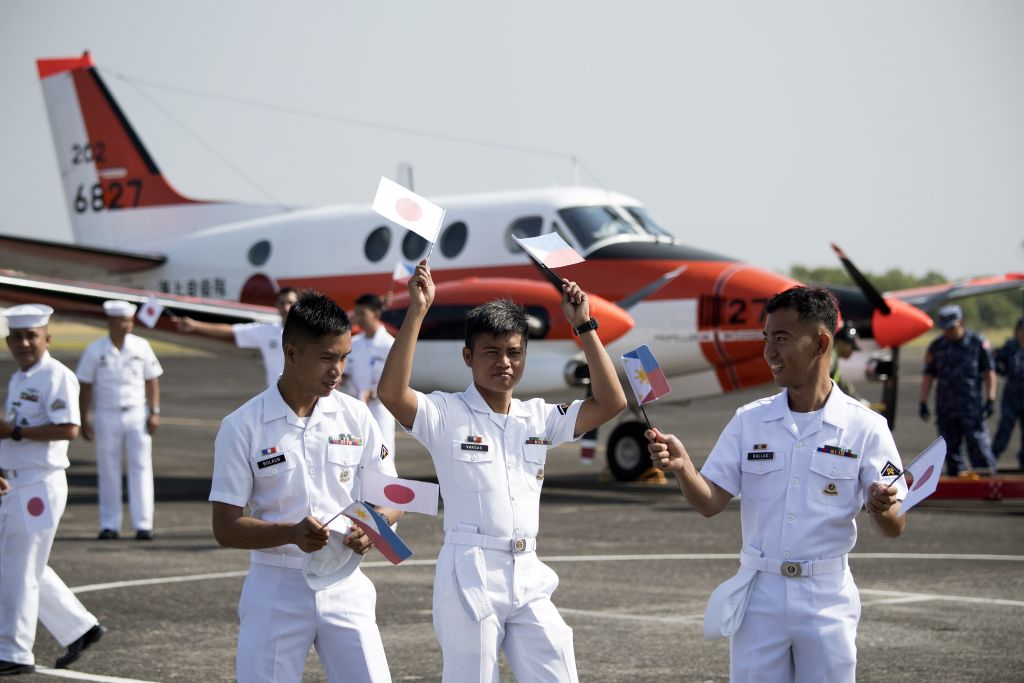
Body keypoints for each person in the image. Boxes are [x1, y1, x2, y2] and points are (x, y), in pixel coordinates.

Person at [378, 261, 627, 682]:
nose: (504, 362)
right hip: (469, 571)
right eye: (491, 352)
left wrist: (584, 326)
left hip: (528, 569)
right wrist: (417, 311)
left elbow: (610, 403)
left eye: (514, 352)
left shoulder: (539, 416)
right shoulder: (446, 413)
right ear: (468, 356)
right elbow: (391, 393)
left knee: (558, 671)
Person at [645, 286, 906, 682]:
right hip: (760, 595)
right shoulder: (749, 421)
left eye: (782, 338)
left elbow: (896, 523)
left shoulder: (865, 427)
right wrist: (683, 467)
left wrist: (883, 508)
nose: (769, 351)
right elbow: (710, 502)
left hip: (827, 597)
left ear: (820, 344)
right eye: (766, 338)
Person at [209, 291, 402, 683]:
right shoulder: (242, 425)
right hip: (276, 586)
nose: (338, 370)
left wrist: (374, 529)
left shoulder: (355, 415)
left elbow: (392, 497)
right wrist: (290, 533)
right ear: (291, 353)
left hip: (346, 583)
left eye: (344, 357)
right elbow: (225, 527)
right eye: (328, 358)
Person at [0, 305, 107, 674]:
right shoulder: (20, 378)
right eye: (17, 337)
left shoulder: (56, 376)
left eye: (32, 336)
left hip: (38, 485)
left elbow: (68, 428)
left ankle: (14, 652)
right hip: (17, 481)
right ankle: (80, 628)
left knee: (19, 568)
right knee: (21, 562)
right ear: (8, 342)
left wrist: (14, 433)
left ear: (47, 338)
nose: (24, 343)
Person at [76, 300, 163, 540]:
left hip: (137, 413)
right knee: (108, 469)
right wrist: (84, 417)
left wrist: (154, 411)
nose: (129, 325)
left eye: (130, 320)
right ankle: (110, 524)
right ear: (111, 322)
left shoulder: (141, 346)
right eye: (124, 321)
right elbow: (85, 386)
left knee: (141, 466)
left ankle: (143, 524)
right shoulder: (95, 350)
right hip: (106, 413)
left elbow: (152, 379)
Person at [919, 304, 998, 476]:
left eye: (951, 327)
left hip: (971, 408)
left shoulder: (977, 343)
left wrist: (991, 399)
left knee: (978, 448)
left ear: (960, 323)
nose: (948, 332)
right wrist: (923, 401)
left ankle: (987, 483)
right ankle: (957, 484)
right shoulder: (937, 346)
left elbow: (989, 372)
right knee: (950, 452)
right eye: (945, 328)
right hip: (946, 409)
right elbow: (929, 375)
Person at [174, 287, 298, 388]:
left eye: (290, 303)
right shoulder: (267, 331)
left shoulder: (307, 332)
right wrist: (195, 325)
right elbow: (230, 330)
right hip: (278, 399)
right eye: (282, 303)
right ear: (276, 305)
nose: (286, 307)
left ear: (298, 304)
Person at [348, 294, 396, 454]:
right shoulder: (353, 343)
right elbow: (345, 372)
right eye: (356, 313)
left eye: (363, 313)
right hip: (356, 408)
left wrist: (374, 393)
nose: (358, 318)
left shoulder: (389, 345)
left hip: (379, 408)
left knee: (382, 453)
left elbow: (397, 381)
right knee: (357, 455)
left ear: (376, 313)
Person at [993, 317, 1024, 470]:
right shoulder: (1010, 347)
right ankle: (991, 459)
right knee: (1005, 429)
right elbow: (993, 358)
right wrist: (1002, 370)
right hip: (1011, 397)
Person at [830, 321, 862, 400]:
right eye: (852, 347)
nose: (852, 352)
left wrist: (855, 397)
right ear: (841, 342)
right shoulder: (830, 358)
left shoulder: (833, 356)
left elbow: (839, 382)